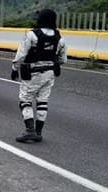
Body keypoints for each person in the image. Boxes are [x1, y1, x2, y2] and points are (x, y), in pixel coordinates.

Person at [11, 8, 67, 143]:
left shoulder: (31, 35)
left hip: (32, 73)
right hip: (49, 74)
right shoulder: (60, 38)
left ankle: (30, 131)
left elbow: (21, 55)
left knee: (25, 100)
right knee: (42, 102)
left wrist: (14, 68)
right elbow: (63, 60)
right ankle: (38, 132)